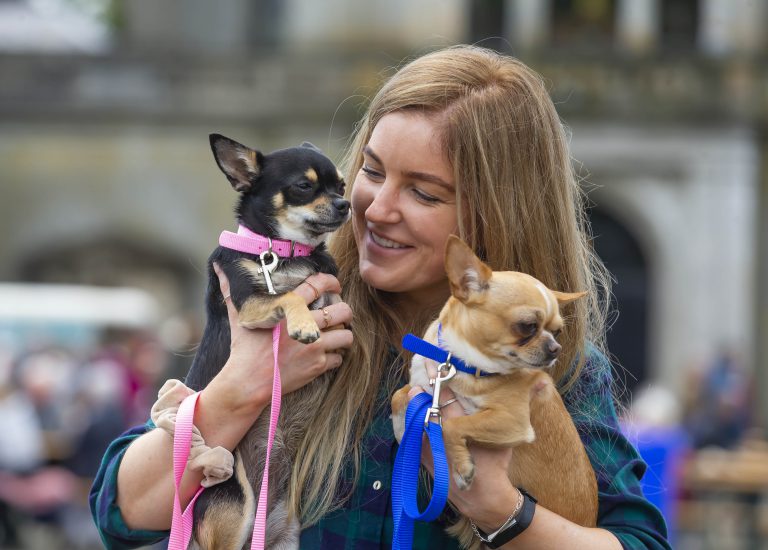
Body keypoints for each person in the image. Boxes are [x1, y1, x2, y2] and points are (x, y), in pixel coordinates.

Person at [90, 45, 670, 549]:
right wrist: (242, 387)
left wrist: (497, 509)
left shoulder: (545, 359)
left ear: (494, 217)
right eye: (371, 170)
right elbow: (122, 512)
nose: (375, 208)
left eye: (423, 192)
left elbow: (637, 540)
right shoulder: (302, 305)